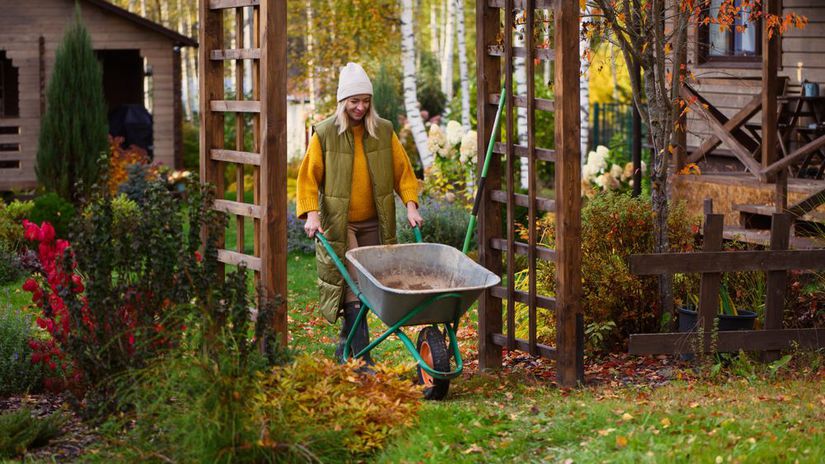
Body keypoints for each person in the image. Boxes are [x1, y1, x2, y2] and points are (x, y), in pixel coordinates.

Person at [297, 62, 423, 364]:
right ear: (343, 101)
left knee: (367, 287)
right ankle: (363, 361)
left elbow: (403, 172)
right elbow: (308, 178)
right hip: (342, 225)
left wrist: (410, 205)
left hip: (375, 221)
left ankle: (346, 348)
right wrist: (312, 214)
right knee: (356, 287)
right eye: (354, 101)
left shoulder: (383, 131)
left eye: (366, 101)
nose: (361, 107)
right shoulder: (325, 133)